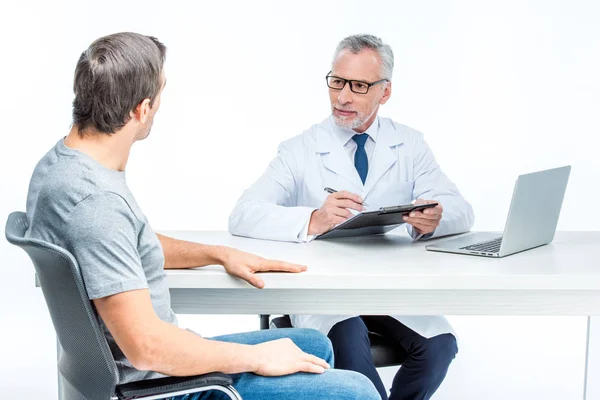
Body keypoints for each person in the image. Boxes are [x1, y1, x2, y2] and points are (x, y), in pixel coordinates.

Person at [24, 32, 379, 400]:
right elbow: (146, 347)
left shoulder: (62, 166)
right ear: (141, 110)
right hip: (157, 387)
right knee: (359, 392)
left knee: (312, 344)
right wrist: (256, 358)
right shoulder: (96, 204)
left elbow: (120, 242)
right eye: (161, 93)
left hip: (141, 368)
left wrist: (217, 253)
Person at [229, 34, 474, 400]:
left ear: (385, 92)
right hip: (326, 294)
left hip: (388, 288)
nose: (343, 97)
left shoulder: (408, 144)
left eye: (358, 86)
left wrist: (436, 219)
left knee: (440, 345)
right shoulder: (300, 149)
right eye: (337, 81)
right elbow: (243, 215)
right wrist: (313, 219)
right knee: (349, 341)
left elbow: (461, 210)